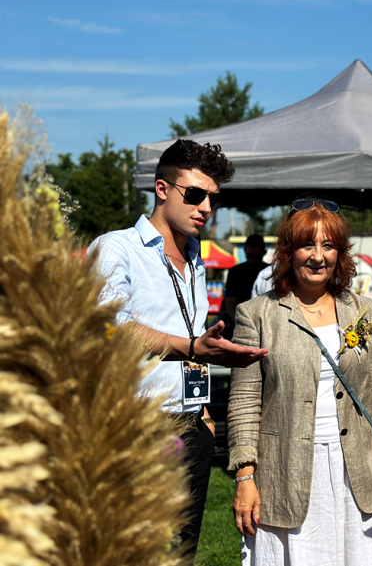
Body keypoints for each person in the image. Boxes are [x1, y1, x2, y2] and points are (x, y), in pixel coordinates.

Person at [89, 139, 267, 563]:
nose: (205, 207)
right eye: (195, 194)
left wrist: (203, 413)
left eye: (212, 198)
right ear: (162, 189)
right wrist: (191, 346)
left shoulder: (195, 257)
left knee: (179, 553)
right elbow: (109, 327)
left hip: (190, 427)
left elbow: (189, 340)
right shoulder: (117, 248)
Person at [228, 199, 372, 566]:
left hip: (359, 469)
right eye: (307, 245)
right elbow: (245, 401)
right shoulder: (256, 315)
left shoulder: (362, 310)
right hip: (286, 471)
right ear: (288, 252)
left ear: (340, 254)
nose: (317, 256)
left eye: (328, 246)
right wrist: (245, 476)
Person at [223, 234, 270, 325]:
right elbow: (230, 303)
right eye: (249, 256)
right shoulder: (235, 272)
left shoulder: (271, 272)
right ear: (244, 251)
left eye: (257, 256)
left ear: (264, 252)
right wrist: (240, 324)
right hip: (241, 322)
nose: (252, 260)